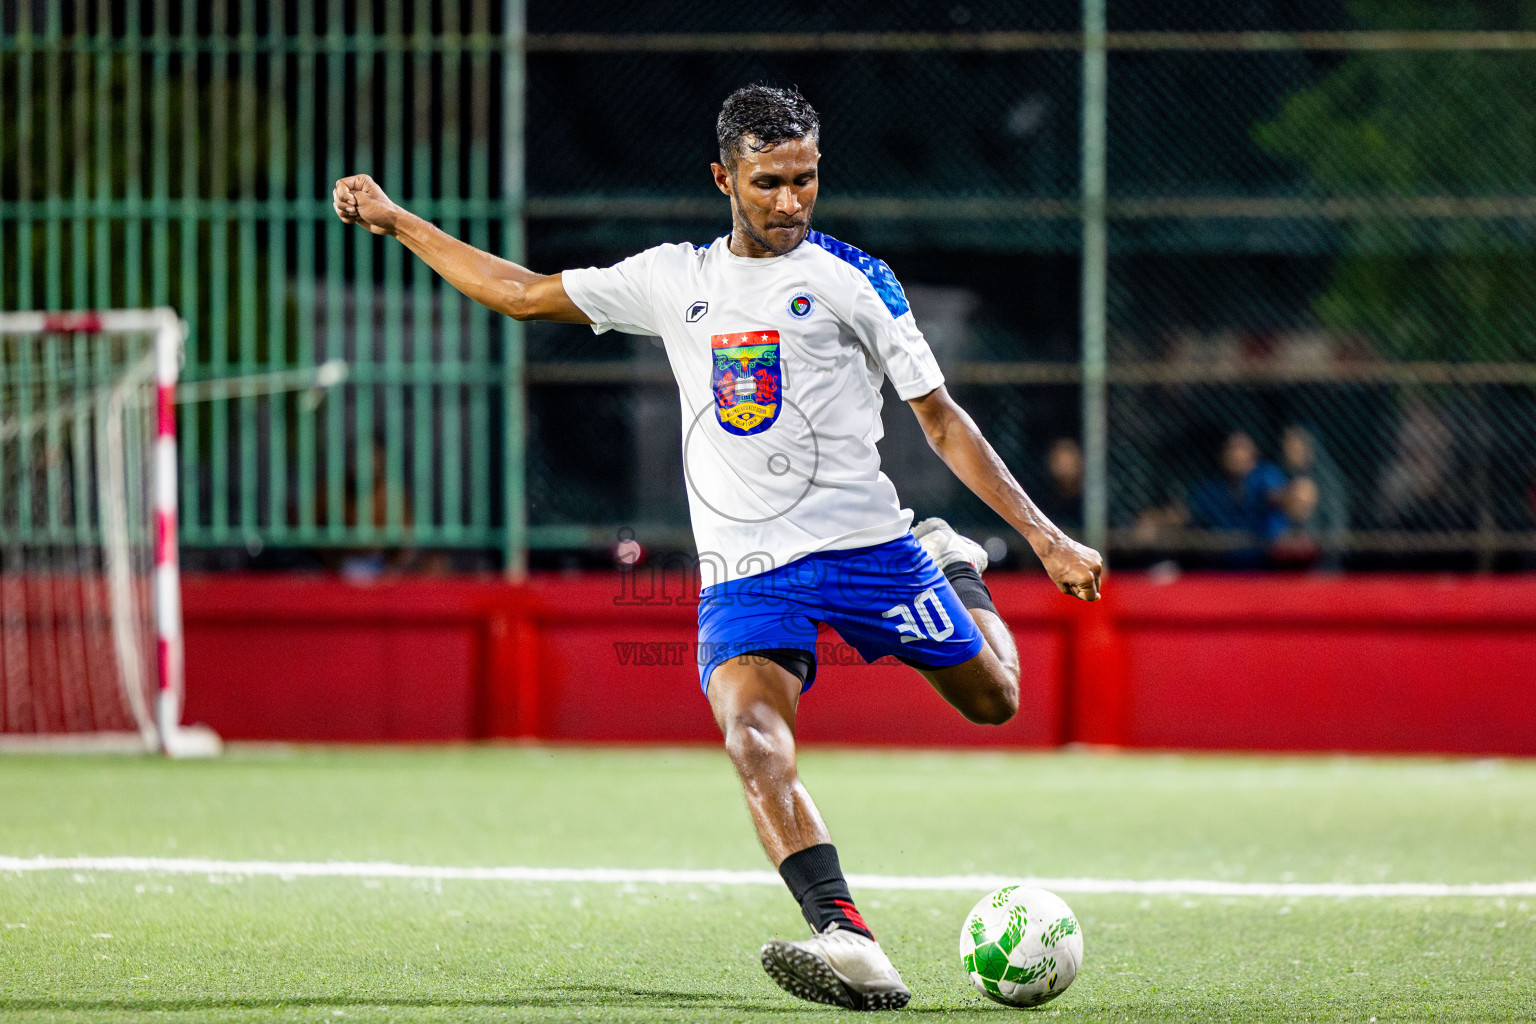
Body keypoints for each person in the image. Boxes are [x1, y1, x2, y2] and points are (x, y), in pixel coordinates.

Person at [333, 84, 1101, 1012]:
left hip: (869, 546)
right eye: (770, 182)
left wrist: (1045, 538)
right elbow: (522, 294)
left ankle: (957, 565)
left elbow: (940, 420)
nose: (791, 202)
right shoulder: (673, 278)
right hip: (746, 572)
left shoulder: (857, 278)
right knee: (751, 738)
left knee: (997, 700)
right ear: (723, 177)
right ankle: (847, 937)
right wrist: (398, 219)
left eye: (805, 180)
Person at [1185, 430, 1288, 568]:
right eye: (1230, 448)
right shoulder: (1212, 488)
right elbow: (1184, 512)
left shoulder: (1266, 475)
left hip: (1266, 570)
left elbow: (1278, 496)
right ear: (1222, 456)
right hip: (1222, 571)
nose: (1235, 453)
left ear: (1254, 454)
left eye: (1241, 447)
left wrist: (1290, 497)